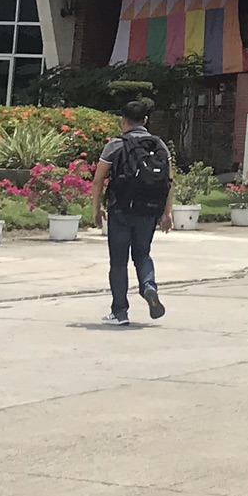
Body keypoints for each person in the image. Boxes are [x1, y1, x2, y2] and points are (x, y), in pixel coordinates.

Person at [92, 97, 174, 325]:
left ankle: (120, 312)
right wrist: (167, 212)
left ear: (123, 120)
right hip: (148, 211)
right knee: (142, 254)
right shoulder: (159, 145)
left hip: (120, 210)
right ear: (145, 120)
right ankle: (148, 286)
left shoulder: (115, 145)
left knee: (118, 262)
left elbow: (98, 180)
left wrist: (97, 208)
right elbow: (169, 181)